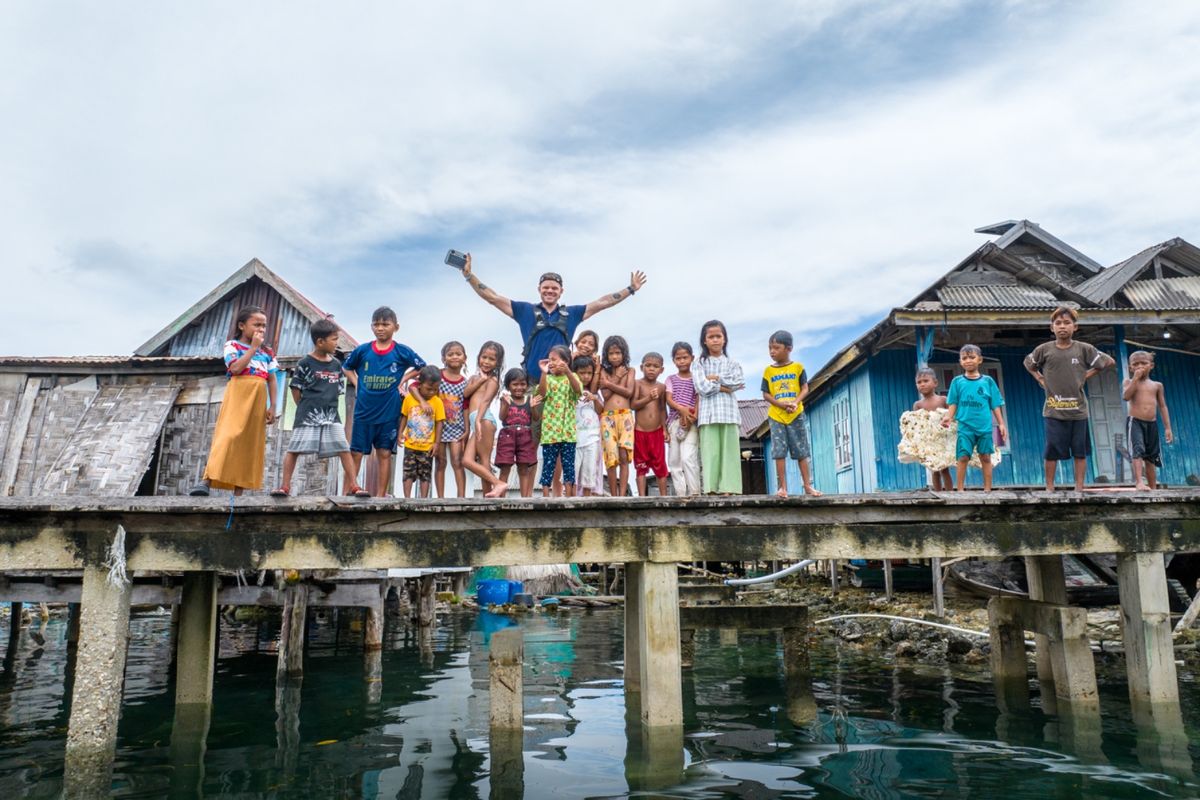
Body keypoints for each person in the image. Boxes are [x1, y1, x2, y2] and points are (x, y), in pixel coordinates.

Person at [459, 253, 647, 383]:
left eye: (554, 288)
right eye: (546, 287)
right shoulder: (525, 310)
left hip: (563, 382)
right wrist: (469, 276)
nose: (550, 291)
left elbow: (603, 302)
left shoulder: (572, 313)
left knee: (561, 438)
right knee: (532, 438)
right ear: (539, 290)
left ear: (561, 292)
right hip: (532, 381)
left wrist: (630, 290)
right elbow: (492, 297)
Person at [272, 319, 369, 498]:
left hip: (331, 415)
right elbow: (296, 390)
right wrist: (306, 408)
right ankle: (285, 486)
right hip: (307, 415)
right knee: (294, 449)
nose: (336, 343)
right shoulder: (305, 363)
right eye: (334, 339)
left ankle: (355, 485)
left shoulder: (336, 365)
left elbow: (338, 391)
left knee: (343, 449)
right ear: (320, 342)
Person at [190, 306, 279, 496]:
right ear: (241, 325)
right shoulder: (232, 345)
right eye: (256, 325)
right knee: (228, 436)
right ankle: (206, 480)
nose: (261, 329)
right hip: (239, 391)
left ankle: (238, 496)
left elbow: (271, 378)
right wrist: (253, 348)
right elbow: (236, 369)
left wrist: (273, 405)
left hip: (259, 394)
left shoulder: (268, 353)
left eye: (264, 326)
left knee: (249, 442)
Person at [1024, 307, 1115, 491]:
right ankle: (1049, 488)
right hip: (1053, 410)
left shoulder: (1084, 349)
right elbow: (1028, 364)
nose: (1062, 326)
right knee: (1051, 452)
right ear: (1052, 328)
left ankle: (1078, 488)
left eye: (1067, 323)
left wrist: (1085, 376)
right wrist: (1040, 378)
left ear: (1075, 327)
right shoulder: (1044, 349)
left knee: (1080, 452)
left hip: (1078, 412)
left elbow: (1108, 362)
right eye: (1058, 323)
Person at [342, 306, 426, 497]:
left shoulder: (401, 351)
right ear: (371, 326)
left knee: (384, 453)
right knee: (356, 453)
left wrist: (403, 379)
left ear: (395, 327)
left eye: (385, 324)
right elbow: (346, 367)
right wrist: (357, 383)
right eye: (376, 324)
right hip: (364, 411)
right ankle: (347, 493)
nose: (380, 328)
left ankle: (380, 497)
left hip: (389, 412)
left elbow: (422, 366)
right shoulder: (362, 351)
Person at [761, 330, 820, 498]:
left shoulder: (798, 368)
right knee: (779, 451)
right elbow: (765, 394)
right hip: (776, 416)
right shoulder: (768, 371)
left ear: (789, 348)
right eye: (770, 348)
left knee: (801, 450)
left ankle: (808, 486)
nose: (772, 351)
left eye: (776, 348)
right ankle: (782, 488)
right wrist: (780, 404)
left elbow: (805, 388)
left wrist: (795, 402)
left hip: (796, 414)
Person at [943, 345, 1006, 491]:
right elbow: (953, 402)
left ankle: (988, 490)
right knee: (963, 457)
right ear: (960, 361)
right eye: (964, 358)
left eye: (972, 357)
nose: (968, 361)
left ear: (980, 360)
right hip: (965, 426)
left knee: (985, 457)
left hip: (984, 427)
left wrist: (1001, 423)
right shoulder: (957, 382)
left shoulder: (988, 381)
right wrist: (949, 417)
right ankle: (959, 490)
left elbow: (995, 404)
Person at [694, 320, 744, 495]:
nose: (715, 340)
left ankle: (728, 488)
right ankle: (711, 488)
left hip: (729, 413)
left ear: (724, 339)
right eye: (711, 337)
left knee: (729, 453)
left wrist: (715, 378)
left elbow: (738, 382)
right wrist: (724, 387)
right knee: (710, 453)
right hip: (708, 415)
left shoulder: (733, 363)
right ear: (704, 341)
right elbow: (701, 387)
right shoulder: (699, 363)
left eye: (718, 336)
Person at [463, 342, 510, 498]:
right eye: (484, 357)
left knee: (484, 460)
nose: (487, 362)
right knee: (467, 461)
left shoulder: (494, 381)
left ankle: (490, 494)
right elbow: (466, 394)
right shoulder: (475, 378)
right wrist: (480, 380)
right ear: (478, 357)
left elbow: (485, 402)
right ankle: (496, 486)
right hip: (477, 421)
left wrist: (477, 421)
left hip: (484, 420)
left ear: (497, 363)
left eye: (491, 359)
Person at [1123, 350, 1173, 490]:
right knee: (1137, 450)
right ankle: (1139, 482)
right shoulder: (1129, 382)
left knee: (1151, 456)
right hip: (1135, 422)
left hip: (1152, 423)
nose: (1139, 366)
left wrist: (1168, 427)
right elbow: (1126, 397)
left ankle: (1153, 487)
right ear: (1130, 367)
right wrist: (1135, 379)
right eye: (1135, 364)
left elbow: (1162, 406)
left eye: (1143, 363)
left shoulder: (1157, 385)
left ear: (1151, 365)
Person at [536, 345, 582, 497]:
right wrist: (543, 373)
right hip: (550, 432)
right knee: (548, 465)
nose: (551, 363)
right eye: (549, 360)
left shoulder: (573, 377)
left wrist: (568, 371)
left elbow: (577, 391)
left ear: (566, 361)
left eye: (554, 360)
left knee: (569, 466)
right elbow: (542, 394)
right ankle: (545, 497)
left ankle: (569, 496)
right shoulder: (547, 379)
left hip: (568, 432)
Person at [400, 366, 446, 498]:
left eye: (435, 389)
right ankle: (407, 499)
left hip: (428, 446)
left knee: (425, 474)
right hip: (410, 444)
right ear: (419, 385)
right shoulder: (410, 399)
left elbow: (439, 422)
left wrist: (437, 443)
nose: (431, 392)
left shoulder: (437, 402)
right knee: (408, 472)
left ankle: (424, 499)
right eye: (428, 389)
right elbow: (404, 416)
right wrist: (399, 434)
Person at [599, 334, 636, 497]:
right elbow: (606, 395)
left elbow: (628, 392)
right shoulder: (603, 371)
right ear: (606, 355)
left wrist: (609, 383)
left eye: (618, 353)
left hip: (626, 416)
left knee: (623, 455)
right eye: (611, 353)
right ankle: (613, 495)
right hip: (607, 417)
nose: (614, 357)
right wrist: (617, 377)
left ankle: (622, 495)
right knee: (611, 457)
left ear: (624, 354)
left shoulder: (631, 370)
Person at [496, 368, 540, 497]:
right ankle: (501, 498)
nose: (519, 387)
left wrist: (533, 408)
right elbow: (502, 417)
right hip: (507, 435)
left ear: (527, 385)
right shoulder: (506, 399)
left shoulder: (529, 399)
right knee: (505, 467)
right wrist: (505, 404)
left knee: (524, 468)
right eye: (515, 384)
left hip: (525, 436)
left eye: (522, 384)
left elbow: (536, 418)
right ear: (508, 385)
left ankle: (524, 499)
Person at [631, 352, 670, 496]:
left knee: (660, 465)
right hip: (640, 431)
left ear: (662, 369)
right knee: (640, 466)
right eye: (648, 365)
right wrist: (648, 398)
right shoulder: (637, 384)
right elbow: (633, 404)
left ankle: (664, 496)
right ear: (642, 367)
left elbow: (662, 409)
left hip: (657, 431)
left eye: (655, 366)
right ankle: (641, 497)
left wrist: (665, 429)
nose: (651, 369)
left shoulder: (662, 387)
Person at [665, 341, 701, 497]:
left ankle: (695, 493)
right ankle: (681, 495)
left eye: (685, 357)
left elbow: (699, 397)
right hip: (674, 422)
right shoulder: (671, 379)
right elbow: (669, 399)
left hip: (692, 423)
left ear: (692, 358)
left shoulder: (697, 378)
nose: (682, 361)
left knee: (688, 458)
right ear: (673, 360)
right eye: (678, 358)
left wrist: (694, 416)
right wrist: (682, 410)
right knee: (674, 461)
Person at [434, 341, 469, 498]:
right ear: (443, 359)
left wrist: (467, 430)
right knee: (440, 462)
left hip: (456, 428)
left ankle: (460, 497)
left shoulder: (465, 383)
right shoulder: (437, 377)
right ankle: (440, 498)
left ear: (464, 358)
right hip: (438, 427)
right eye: (450, 354)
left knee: (457, 461)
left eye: (458, 354)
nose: (454, 357)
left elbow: (465, 407)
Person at [912, 367, 953, 491]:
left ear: (935, 383)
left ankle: (951, 494)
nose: (922, 384)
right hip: (929, 441)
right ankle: (938, 494)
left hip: (943, 439)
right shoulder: (918, 404)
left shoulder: (943, 400)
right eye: (919, 382)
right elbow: (917, 425)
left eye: (925, 381)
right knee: (934, 469)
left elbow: (951, 418)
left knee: (944, 468)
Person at [572, 356, 606, 496]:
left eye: (589, 373)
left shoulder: (594, 393)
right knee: (572, 473)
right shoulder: (571, 392)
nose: (586, 376)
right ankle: (571, 500)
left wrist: (595, 398)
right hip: (574, 439)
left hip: (592, 439)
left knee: (589, 473)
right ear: (575, 373)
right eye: (582, 373)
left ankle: (586, 501)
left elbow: (600, 410)